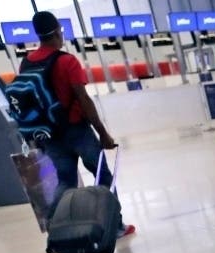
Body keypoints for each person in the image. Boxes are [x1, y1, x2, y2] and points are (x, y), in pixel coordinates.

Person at [26, 11, 134, 238]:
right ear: (57, 30)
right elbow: (83, 99)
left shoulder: (27, 62)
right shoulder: (67, 61)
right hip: (77, 130)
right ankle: (115, 226)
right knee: (102, 176)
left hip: (51, 134)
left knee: (65, 181)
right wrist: (102, 132)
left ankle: (55, 228)